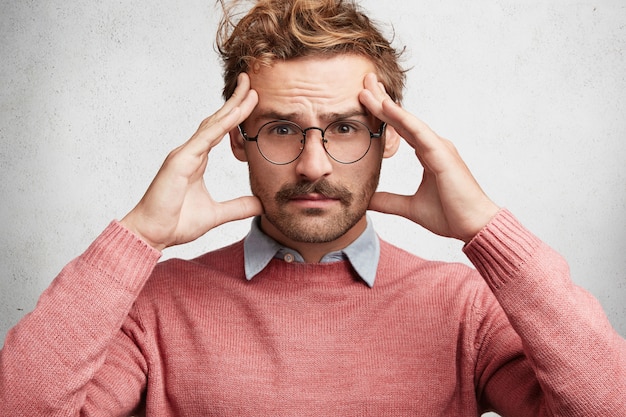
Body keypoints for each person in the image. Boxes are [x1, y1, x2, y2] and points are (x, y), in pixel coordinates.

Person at [1, 0, 625, 415]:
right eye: (279, 129)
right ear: (237, 141)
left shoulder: (465, 307)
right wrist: (137, 237)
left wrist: (488, 230)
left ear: (392, 140)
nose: (314, 165)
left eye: (347, 128)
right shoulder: (158, 303)